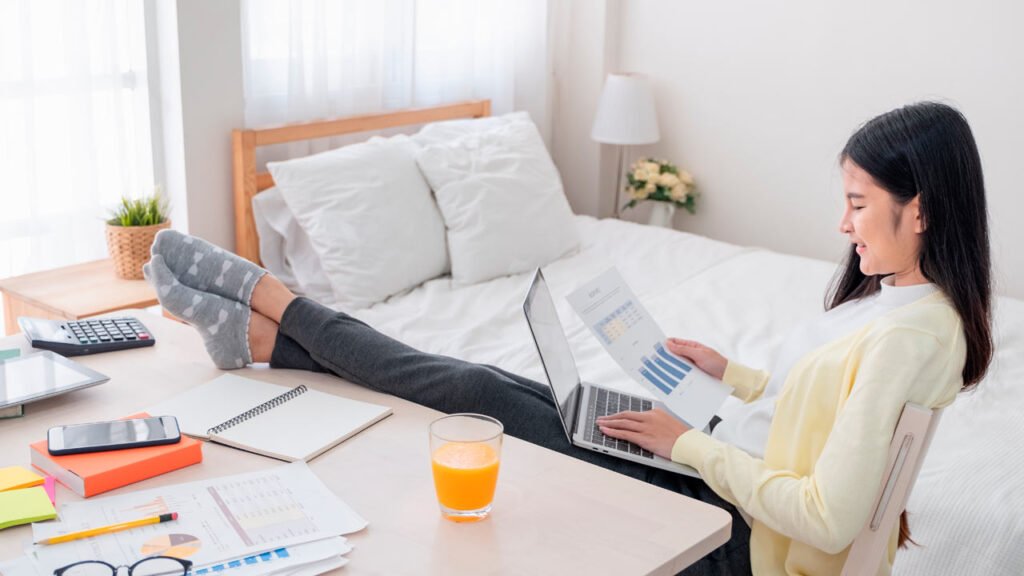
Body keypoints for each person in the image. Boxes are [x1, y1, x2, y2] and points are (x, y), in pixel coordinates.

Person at [143, 101, 991, 576]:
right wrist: (728, 375)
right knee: (490, 381)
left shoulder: (910, 336)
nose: (841, 223)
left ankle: (273, 305)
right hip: (729, 466)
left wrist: (688, 443)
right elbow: (822, 416)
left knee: (476, 398)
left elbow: (830, 516)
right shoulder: (903, 304)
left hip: (734, 530)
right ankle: (265, 337)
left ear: (918, 208)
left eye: (857, 202)